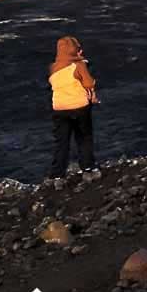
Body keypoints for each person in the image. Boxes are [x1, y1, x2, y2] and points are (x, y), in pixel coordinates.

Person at [48, 36, 100, 182]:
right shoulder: (79, 65)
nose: (81, 51)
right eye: (78, 49)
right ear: (74, 51)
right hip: (79, 107)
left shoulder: (52, 68)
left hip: (59, 109)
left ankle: (57, 175)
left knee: (61, 143)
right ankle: (88, 169)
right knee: (84, 138)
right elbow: (89, 83)